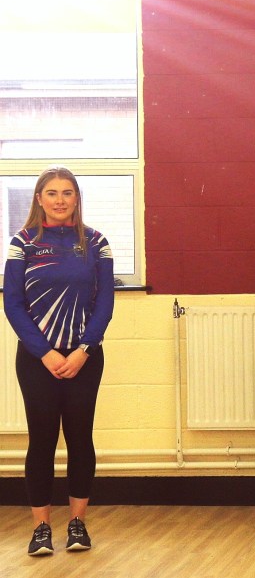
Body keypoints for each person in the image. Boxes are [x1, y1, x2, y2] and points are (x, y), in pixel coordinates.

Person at [3, 166, 115, 556]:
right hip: (37, 360)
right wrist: (47, 352)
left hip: (85, 358)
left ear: (76, 198)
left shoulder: (97, 242)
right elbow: (14, 305)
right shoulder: (23, 243)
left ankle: (78, 523)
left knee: (80, 439)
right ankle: (40, 528)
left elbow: (105, 303)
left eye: (67, 193)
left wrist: (83, 350)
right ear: (39, 198)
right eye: (52, 193)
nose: (60, 200)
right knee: (42, 441)